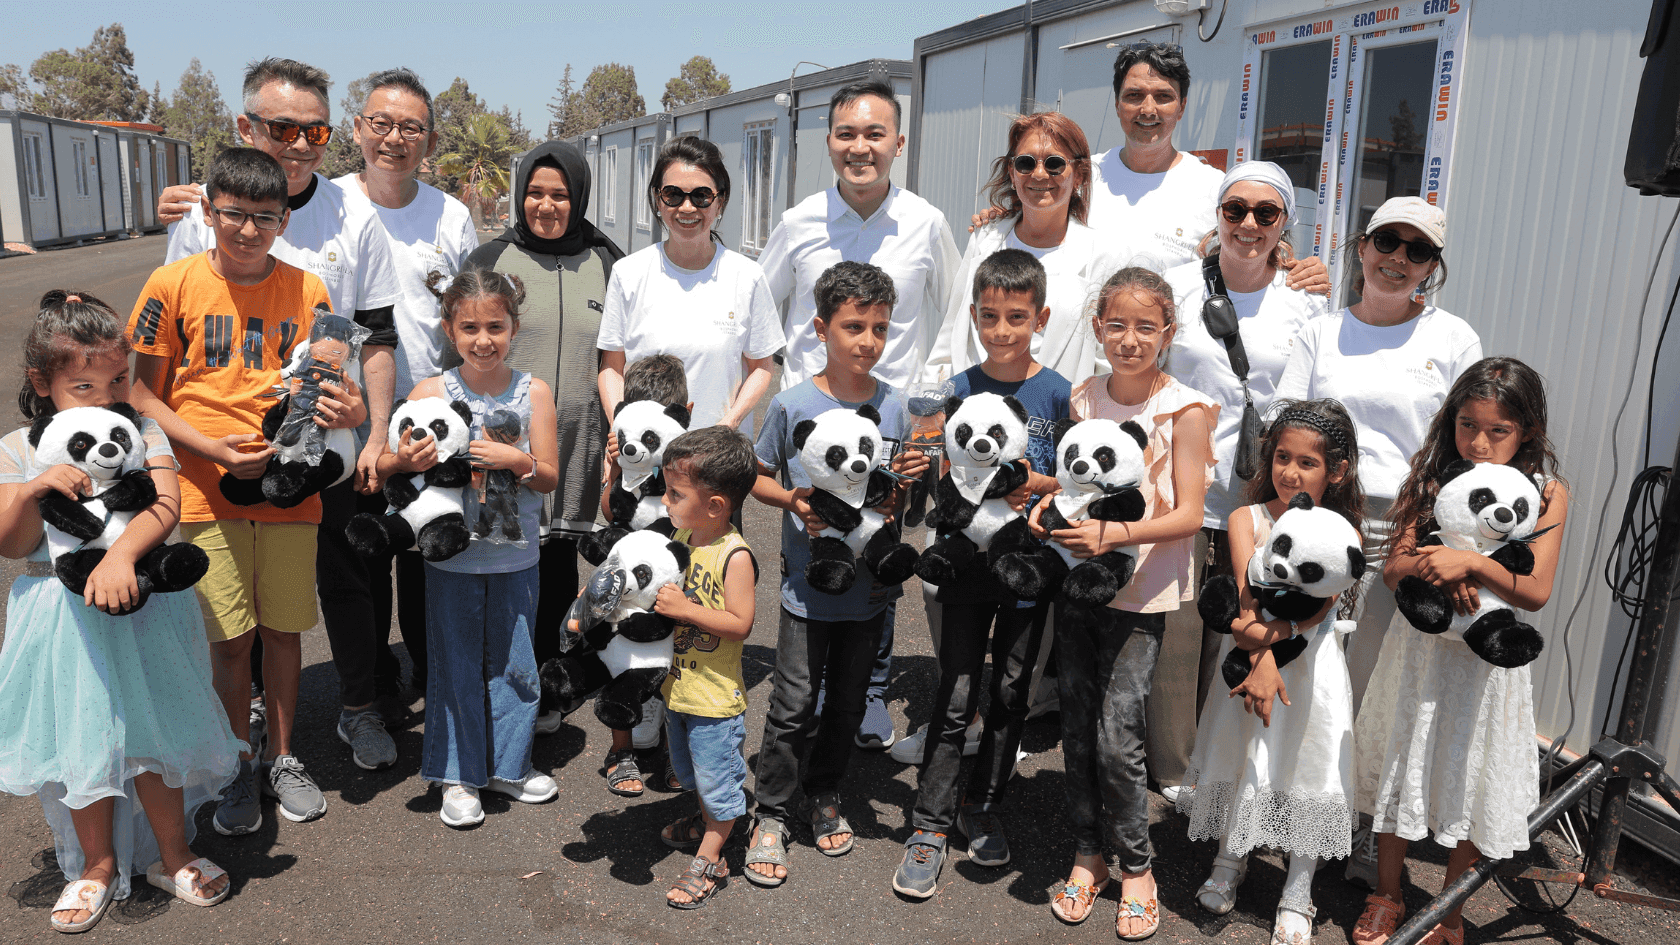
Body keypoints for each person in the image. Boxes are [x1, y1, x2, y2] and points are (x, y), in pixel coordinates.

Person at [153, 57, 402, 775]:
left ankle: (360, 706)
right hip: (225, 451)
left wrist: (375, 427)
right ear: (245, 126)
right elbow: (170, 351)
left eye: (314, 130)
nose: (298, 144)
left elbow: (376, 337)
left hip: (329, 442)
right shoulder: (203, 216)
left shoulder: (354, 215)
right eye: (281, 127)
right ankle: (253, 715)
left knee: (351, 575)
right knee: (243, 599)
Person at [128, 148, 361, 833]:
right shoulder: (169, 285)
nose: (248, 230)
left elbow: (328, 390)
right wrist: (210, 448)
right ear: (208, 213)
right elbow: (143, 391)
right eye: (233, 214)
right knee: (230, 639)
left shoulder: (310, 292)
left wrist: (347, 413)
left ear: (285, 220)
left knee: (284, 630)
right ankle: (236, 763)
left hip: (290, 491)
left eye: (264, 217)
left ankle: (283, 757)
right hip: (204, 488)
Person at [0, 291, 243, 933]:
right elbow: (12, 543)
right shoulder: (20, 447)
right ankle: (97, 863)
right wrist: (32, 489)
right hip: (62, 621)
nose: (104, 397)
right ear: (42, 383)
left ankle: (173, 852)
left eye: (116, 381)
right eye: (83, 384)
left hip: (144, 610)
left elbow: (167, 506)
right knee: (83, 737)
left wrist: (120, 558)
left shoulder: (141, 431)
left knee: (150, 727)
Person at [1274, 196, 1482, 887]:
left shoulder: (1454, 339)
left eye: (1416, 250)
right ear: (1361, 246)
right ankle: (1279, 806)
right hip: (1322, 514)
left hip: (1407, 522)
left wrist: (1432, 532)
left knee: (1372, 682)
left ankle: (1357, 827)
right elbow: (1287, 422)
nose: (1397, 259)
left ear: (1433, 266)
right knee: (1299, 660)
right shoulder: (1322, 331)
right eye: (1386, 242)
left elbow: (1463, 448)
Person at [759, 78, 961, 750]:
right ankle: (806, 681)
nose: (860, 147)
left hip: (888, 421)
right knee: (812, 546)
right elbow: (764, 314)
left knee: (878, 554)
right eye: (847, 133)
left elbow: (955, 314)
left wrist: (926, 414)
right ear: (829, 143)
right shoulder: (798, 222)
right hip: (816, 424)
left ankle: (869, 693)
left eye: (875, 133)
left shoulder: (927, 223)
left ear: (898, 143)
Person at [1351, 358, 1568, 945]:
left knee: (1474, 771)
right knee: (1405, 759)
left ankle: (1450, 910)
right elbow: (1393, 569)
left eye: (1498, 431)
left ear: (1527, 431)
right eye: (1467, 424)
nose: (1479, 442)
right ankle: (1387, 894)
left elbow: (1538, 591)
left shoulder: (1547, 494)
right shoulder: (1430, 480)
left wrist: (1473, 562)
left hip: (1487, 662)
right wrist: (1435, 564)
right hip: (1418, 651)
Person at [1028, 267, 1215, 939]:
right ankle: (1089, 852)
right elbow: (1076, 482)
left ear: (1168, 332)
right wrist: (1049, 502)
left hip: (1142, 592)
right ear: (1097, 326)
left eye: (1145, 326)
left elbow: (1190, 512)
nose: (1129, 339)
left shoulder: (1185, 409)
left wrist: (1120, 531)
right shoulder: (1081, 396)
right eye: (1116, 325)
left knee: (1118, 731)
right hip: (1079, 582)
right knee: (1077, 724)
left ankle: (1139, 866)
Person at [743, 261, 927, 888]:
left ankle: (824, 794)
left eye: (879, 328)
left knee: (848, 705)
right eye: (854, 327)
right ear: (820, 328)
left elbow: (895, 498)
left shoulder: (894, 407)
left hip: (869, 593)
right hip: (805, 592)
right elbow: (757, 475)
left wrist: (897, 494)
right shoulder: (792, 403)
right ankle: (770, 811)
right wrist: (794, 501)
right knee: (792, 703)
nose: (868, 341)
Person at [892, 249, 1067, 899]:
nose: (1001, 329)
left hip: (1026, 566)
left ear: (1040, 317)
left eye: (1016, 317)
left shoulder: (1057, 392)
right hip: (965, 564)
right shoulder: (958, 389)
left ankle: (983, 805)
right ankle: (931, 823)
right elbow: (939, 475)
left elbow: (1071, 474)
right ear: (972, 316)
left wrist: (1032, 482)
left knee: (1012, 691)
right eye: (989, 316)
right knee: (957, 691)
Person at [1155, 160, 1327, 801]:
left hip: (1258, 493)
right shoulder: (1176, 286)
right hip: (1184, 483)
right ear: (1218, 216)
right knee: (1176, 636)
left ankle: (1217, 763)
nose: (1249, 224)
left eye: (1266, 213)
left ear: (1285, 224)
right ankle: (1172, 768)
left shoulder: (1307, 299)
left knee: (1241, 622)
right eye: (1235, 210)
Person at [328, 67, 481, 752]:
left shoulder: (451, 216)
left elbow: (472, 314)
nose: (395, 138)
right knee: (358, 562)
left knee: (427, 553)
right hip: (347, 420)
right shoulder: (325, 206)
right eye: (381, 123)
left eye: (410, 127)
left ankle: (429, 669)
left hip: (433, 422)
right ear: (356, 128)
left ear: (430, 138)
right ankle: (370, 689)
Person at [1178, 399, 1365, 945]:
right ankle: (1229, 859)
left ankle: (1298, 887)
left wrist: (1267, 647)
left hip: (1313, 672)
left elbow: (1317, 610)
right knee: (1245, 754)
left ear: (1337, 471)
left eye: (1307, 462)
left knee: (1307, 766)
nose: (1290, 472)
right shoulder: (1246, 518)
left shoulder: (1342, 529)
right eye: (1282, 457)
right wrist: (1260, 657)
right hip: (1252, 663)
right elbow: (1246, 603)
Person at [381, 269, 561, 828]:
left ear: (514, 327)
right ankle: (458, 774)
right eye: (470, 327)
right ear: (449, 329)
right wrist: (408, 461)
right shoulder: (431, 393)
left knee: (515, 663)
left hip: (517, 555)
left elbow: (550, 475)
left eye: (496, 326)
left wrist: (520, 463)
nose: (484, 339)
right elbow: (390, 467)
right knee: (454, 663)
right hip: (452, 558)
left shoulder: (534, 391)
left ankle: (509, 763)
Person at [465, 139, 625, 736]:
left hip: (581, 438)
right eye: (535, 192)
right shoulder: (491, 255)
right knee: (501, 561)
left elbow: (620, 352)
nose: (546, 205)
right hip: (507, 440)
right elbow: (461, 338)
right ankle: (494, 683)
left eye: (560, 195)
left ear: (578, 197)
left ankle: (550, 685)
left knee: (559, 563)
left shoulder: (609, 262)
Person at [1087, 41, 1327, 293]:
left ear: (1181, 107)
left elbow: (1258, 257)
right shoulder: (1083, 178)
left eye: (1163, 97)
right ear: (1117, 104)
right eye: (1134, 95)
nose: (1148, 109)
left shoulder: (1214, 189)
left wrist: (1304, 274)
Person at [925, 111, 1129, 388]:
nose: (1040, 173)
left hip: (1056, 422)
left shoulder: (1104, 255)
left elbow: (1107, 362)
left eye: (1055, 164)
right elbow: (950, 339)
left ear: (1079, 175)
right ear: (1011, 172)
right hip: (974, 419)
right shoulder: (985, 239)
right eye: (1026, 163)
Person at [598, 136, 783, 433]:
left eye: (701, 196)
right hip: (645, 453)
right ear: (658, 199)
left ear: (719, 201)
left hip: (718, 453)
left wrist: (728, 424)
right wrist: (620, 426)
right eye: (673, 194)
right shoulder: (628, 274)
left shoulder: (746, 277)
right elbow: (611, 368)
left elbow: (761, 368)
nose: (687, 207)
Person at [647, 427, 760, 908]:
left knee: (715, 781)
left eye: (675, 493)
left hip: (714, 699)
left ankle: (710, 856)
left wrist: (684, 610)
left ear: (715, 505)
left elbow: (740, 624)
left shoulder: (733, 555)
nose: (665, 500)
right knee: (693, 774)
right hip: (679, 690)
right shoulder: (681, 537)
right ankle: (714, 819)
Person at [596, 354, 692, 799]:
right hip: (629, 582)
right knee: (623, 654)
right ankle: (621, 751)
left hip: (675, 579)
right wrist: (616, 469)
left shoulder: (692, 456)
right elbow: (610, 511)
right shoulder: (622, 447)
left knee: (679, 663)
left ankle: (676, 752)